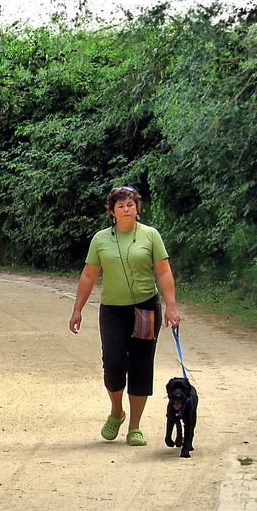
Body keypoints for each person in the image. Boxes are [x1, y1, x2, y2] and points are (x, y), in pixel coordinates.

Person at [68, 186, 180, 446]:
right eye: (121, 206)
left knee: (141, 363)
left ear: (137, 208)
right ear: (112, 212)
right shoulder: (100, 240)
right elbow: (88, 275)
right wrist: (77, 310)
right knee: (114, 363)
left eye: (130, 205)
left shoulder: (151, 236)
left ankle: (135, 427)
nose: (126, 209)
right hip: (113, 310)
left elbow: (163, 272)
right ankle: (117, 411)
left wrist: (171, 307)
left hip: (146, 307)